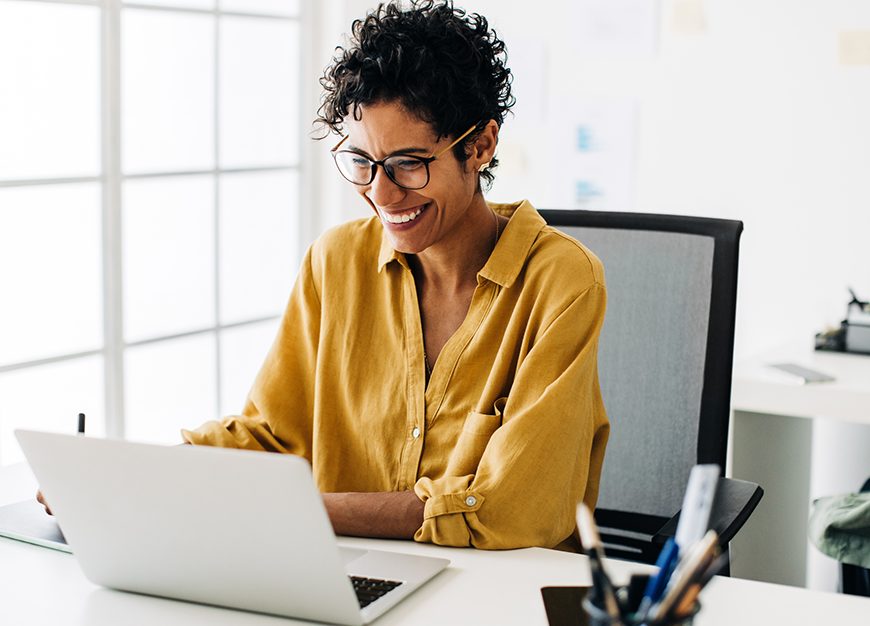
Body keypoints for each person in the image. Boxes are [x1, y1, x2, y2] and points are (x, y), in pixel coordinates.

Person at [43, 0, 610, 551]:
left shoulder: (562, 281)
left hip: (496, 596)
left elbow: (513, 507)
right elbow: (274, 436)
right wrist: (138, 478)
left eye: (409, 164)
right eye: (362, 161)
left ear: (480, 145)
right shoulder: (334, 262)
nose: (381, 194)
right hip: (341, 570)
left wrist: (298, 510)